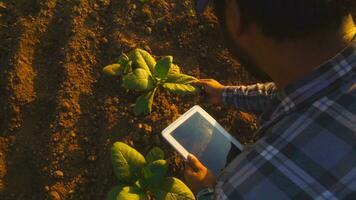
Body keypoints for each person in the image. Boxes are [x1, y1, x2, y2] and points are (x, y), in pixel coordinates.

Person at [184, 0, 356, 199]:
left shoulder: (246, 189)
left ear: (235, 15)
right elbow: (309, 89)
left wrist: (206, 190)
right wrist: (225, 94)